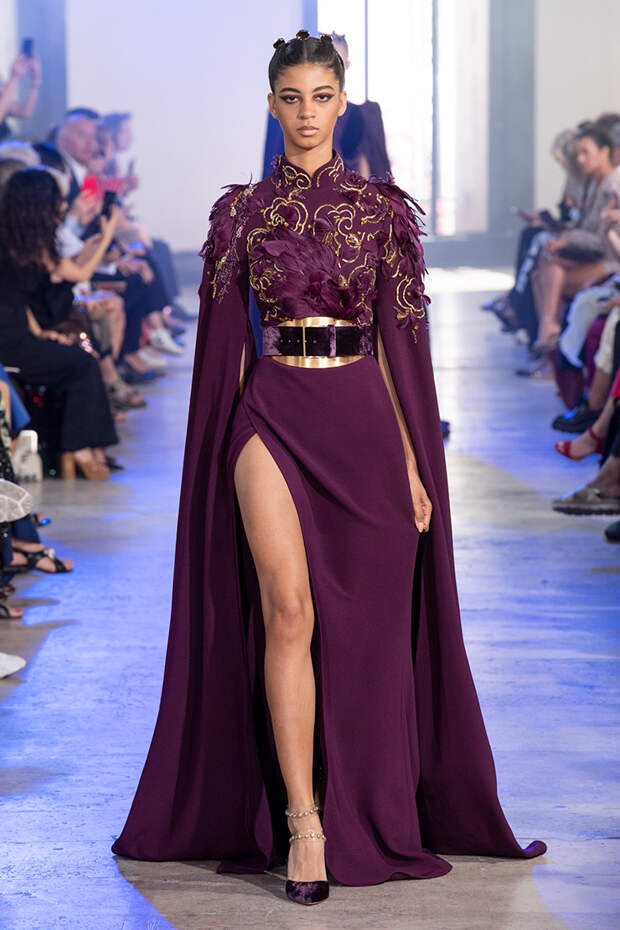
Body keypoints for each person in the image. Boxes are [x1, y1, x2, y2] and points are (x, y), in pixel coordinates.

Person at [111, 31, 545, 905]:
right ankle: (304, 823)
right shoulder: (240, 214)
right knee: (289, 610)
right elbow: (226, 350)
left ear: (341, 104)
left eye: (320, 96)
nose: (306, 113)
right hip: (269, 416)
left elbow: (399, 351)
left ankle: (366, 808)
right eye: (291, 97)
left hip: (362, 423)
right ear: (271, 105)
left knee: (369, 636)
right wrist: (219, 449)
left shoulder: (383, 213)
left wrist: (416, 465)